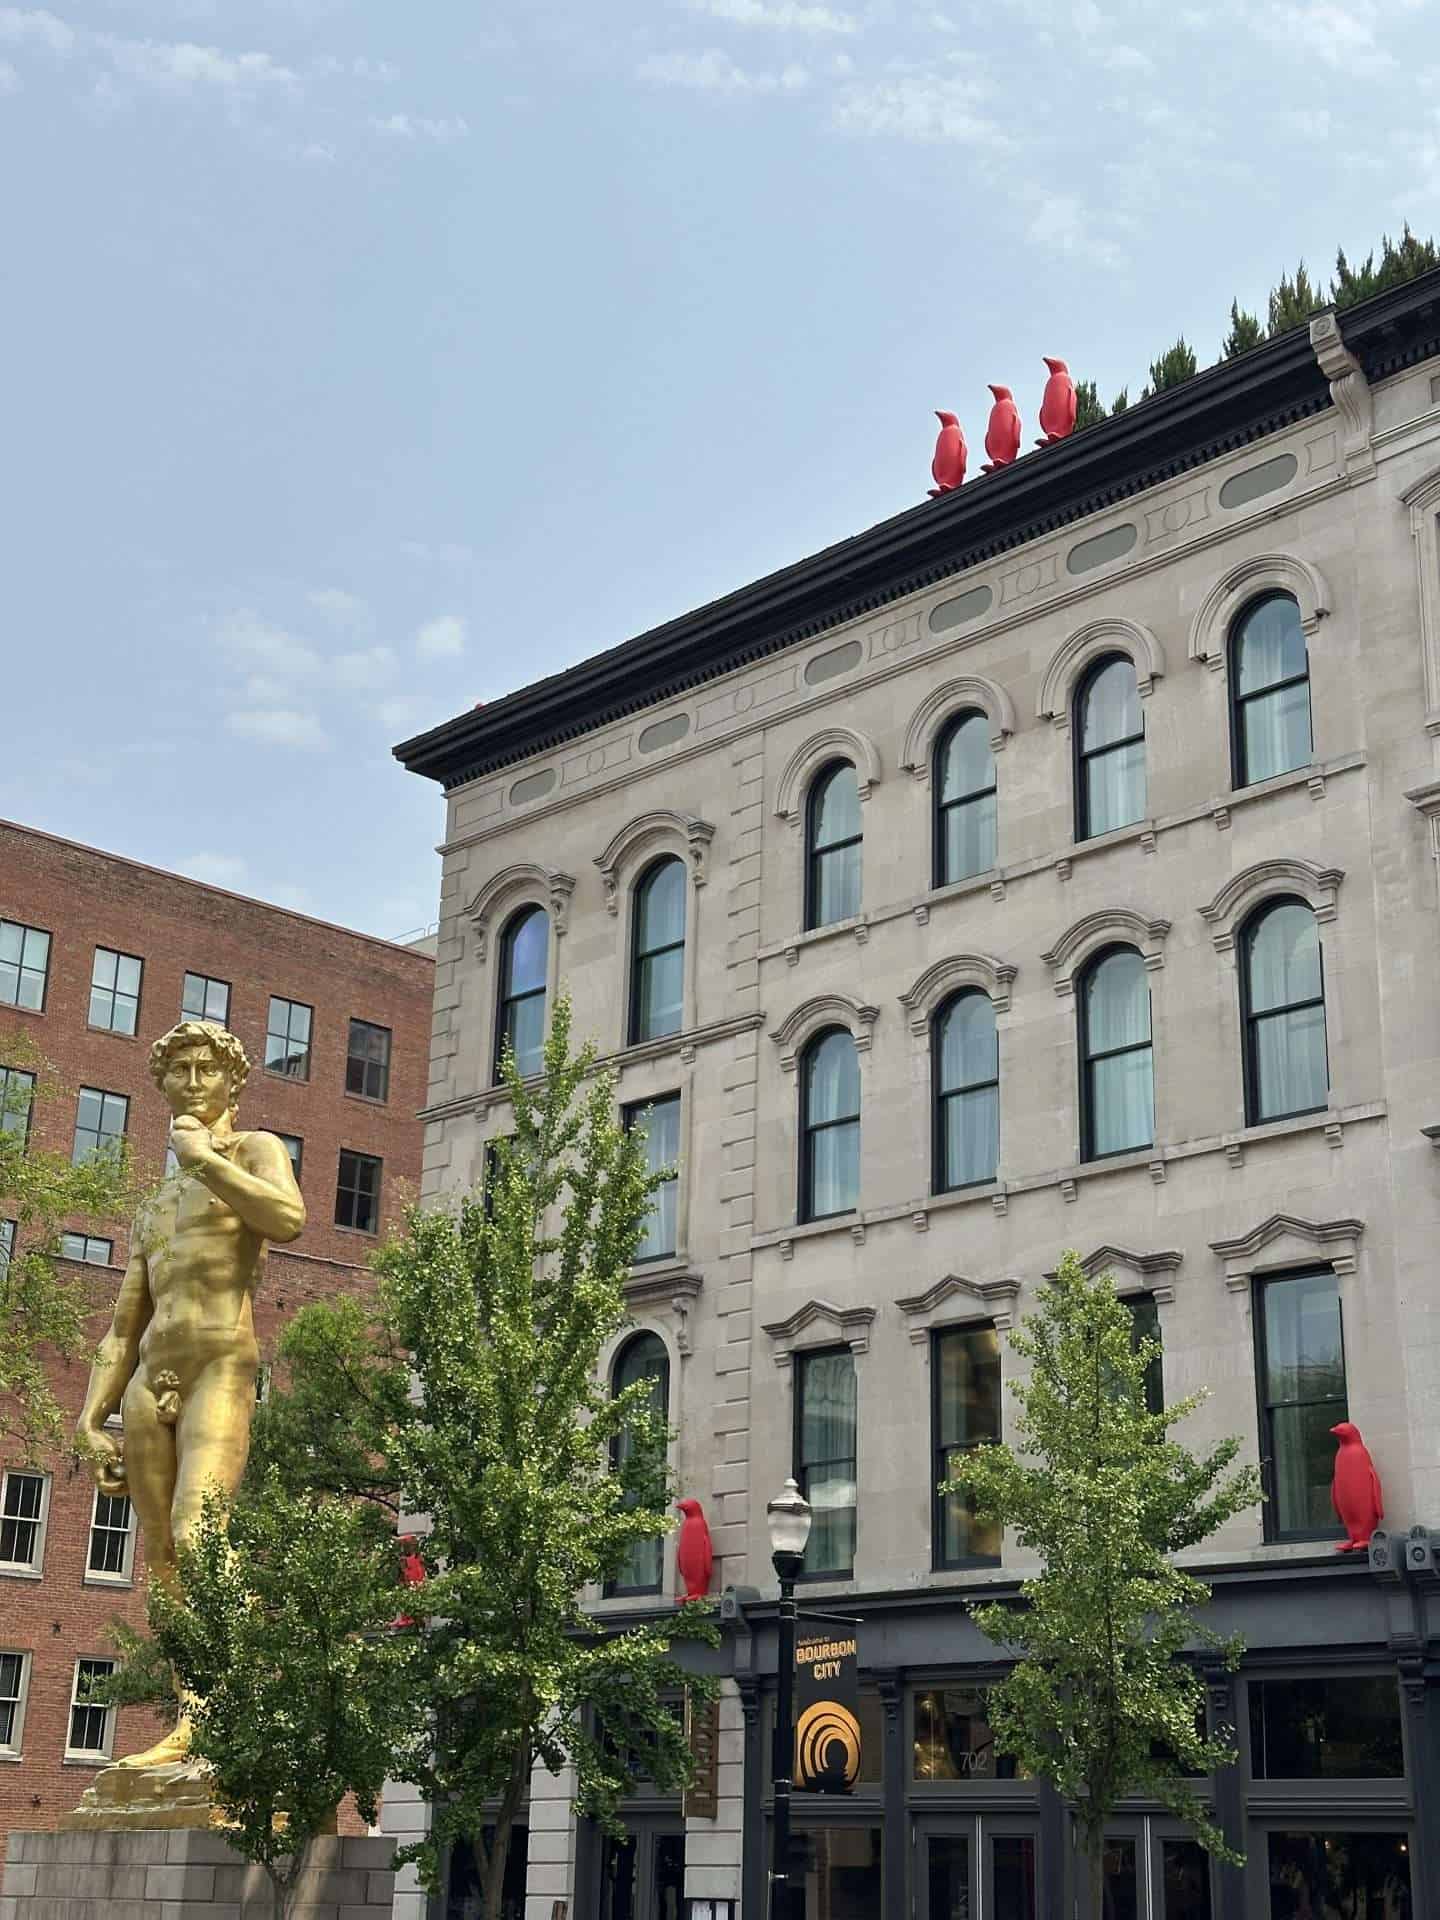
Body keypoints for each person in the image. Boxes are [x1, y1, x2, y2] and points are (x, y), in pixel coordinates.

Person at [74, 1018, 304, 1769]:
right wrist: (89, 1416)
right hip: (149, 1378)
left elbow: (288, 1218)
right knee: (164, 1554)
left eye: (210, 1070)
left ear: (233, 1083)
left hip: (219, 1365)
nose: (196, 1081)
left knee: (203, 1531)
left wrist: (205, 1162)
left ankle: (225, 1712)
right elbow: (121, 1324)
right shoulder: (153, 1204)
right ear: (164, 1084)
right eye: (182, 1071)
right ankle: (193, 1719)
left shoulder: (250, 1151)